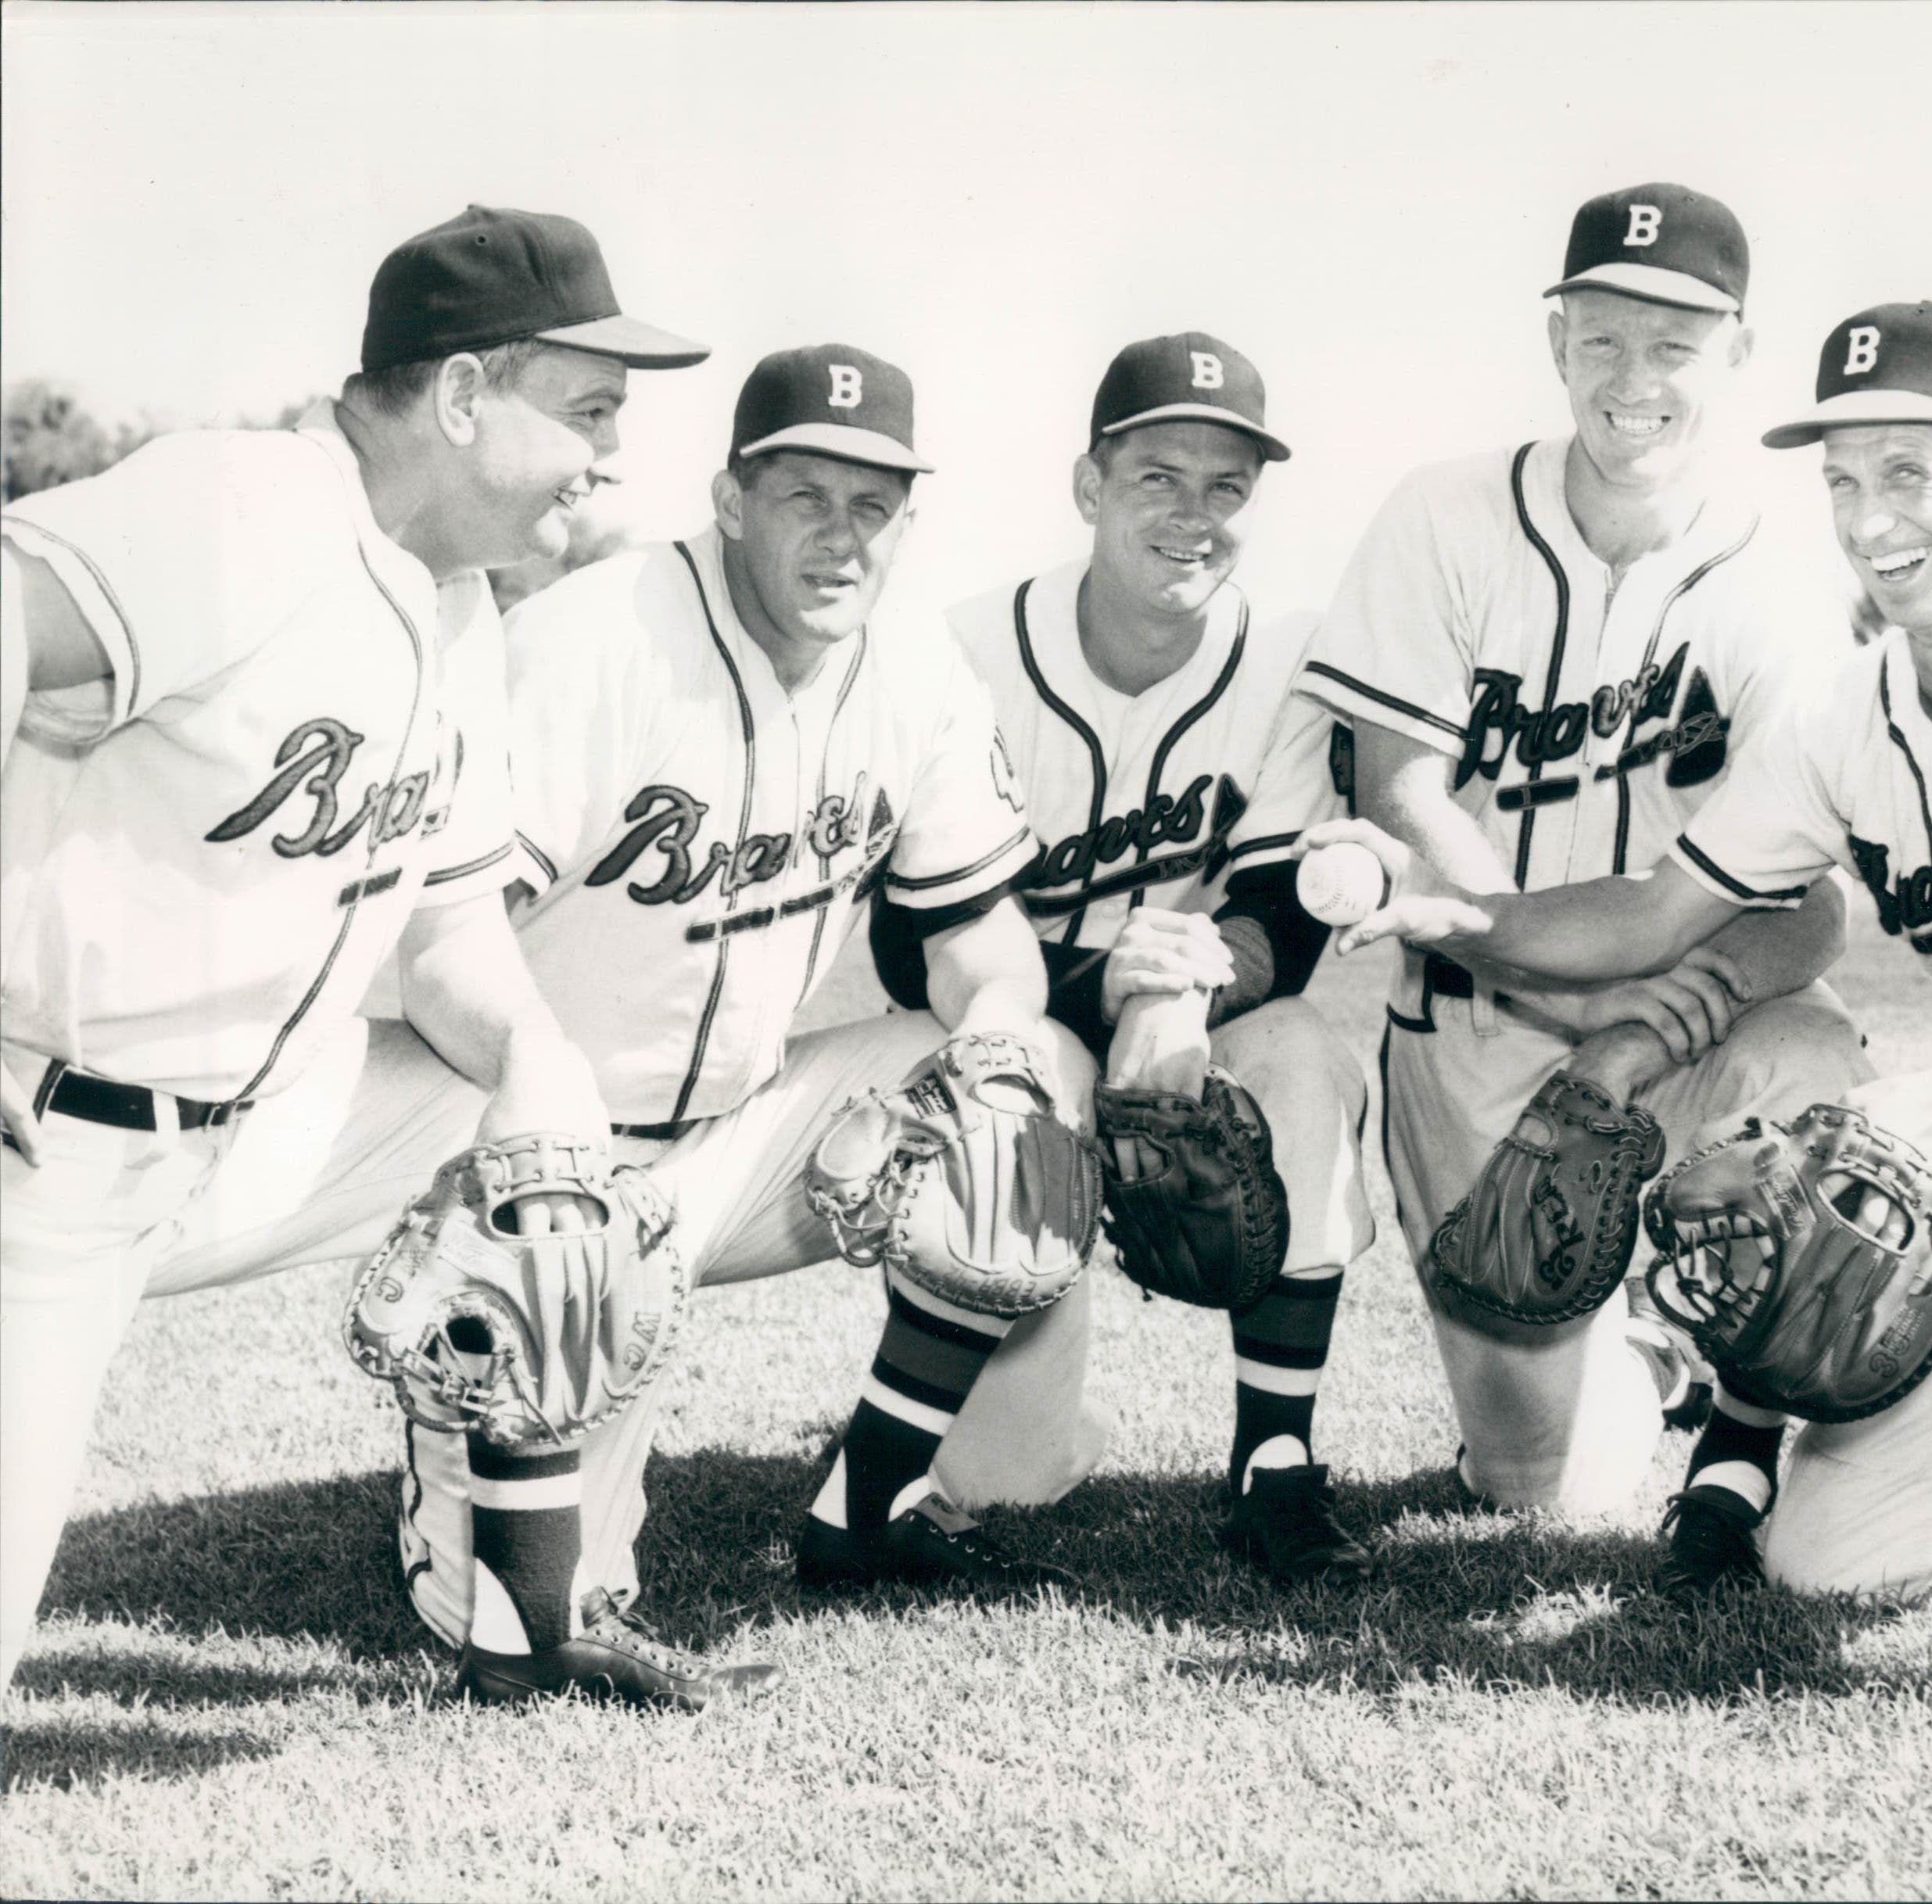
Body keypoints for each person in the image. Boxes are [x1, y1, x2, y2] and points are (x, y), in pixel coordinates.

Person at [1308, 301, 1932, 1774]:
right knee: (1831, 1557)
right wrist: (1468, 925)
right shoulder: (1848, 717)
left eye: (1909, 472)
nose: (1868, 520)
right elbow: (1660, 910)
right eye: (1843, 481)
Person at [152, 344, 1109, 1694]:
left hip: (734, 1140)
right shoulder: (595, 643)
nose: (842, 538)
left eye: (873, 507)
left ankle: (867, 1516)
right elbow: (446, 942)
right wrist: (541, 1127)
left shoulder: (917, 668)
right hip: (506, 1137)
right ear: (729, 499)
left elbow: (972, 935)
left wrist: (1002, 1037)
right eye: (805, 498)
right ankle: (493, 1491)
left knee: (1026, 1080)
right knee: (544, 1611)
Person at [0, 203, 705, 1694]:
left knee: (553, 1160)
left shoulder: (456, 615)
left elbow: (453, 940)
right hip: (39, 1153)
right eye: (585, 410)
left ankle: (516, 1618)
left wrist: (531, 1063)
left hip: (245, 1137)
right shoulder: (245, 502)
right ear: (462, 397)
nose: (607, 457)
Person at [1292, 183, 1866, 1514]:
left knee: (1813, 1057)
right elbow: (1400, 793)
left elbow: (1813, 910)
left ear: (1736, 354)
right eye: (1602, 339)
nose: (1634, 380)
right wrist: (1573, 985)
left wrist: (1636, 1029)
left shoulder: (1778, 572)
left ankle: (1713, 1396)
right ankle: (1626, 1378)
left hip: (1683, 1025)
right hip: (1475, 1021)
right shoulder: (1443, 514)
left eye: (1674, 345)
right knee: (1544, 1499)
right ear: (1556, 343)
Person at [887, 332, 1378, 1580]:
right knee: (1008, 1477)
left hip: (1196, 1026)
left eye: (1227, 487)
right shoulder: (965, 653)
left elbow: (1286, 909)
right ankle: (1010, 1377)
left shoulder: (1289, 653)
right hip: (1019, 1016)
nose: (1193, 514)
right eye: (1159, 475)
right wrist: (1104, 981)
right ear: (1088, 485)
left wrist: (1185, 982)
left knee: (1303, 1056)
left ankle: (1276, 1462)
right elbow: (909, 936)